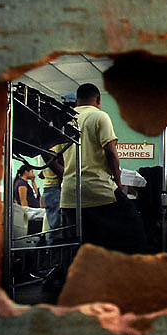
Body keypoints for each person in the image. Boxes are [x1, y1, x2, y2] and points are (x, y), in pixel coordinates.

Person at [57, 83, 148, 254]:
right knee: (134, 231)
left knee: (80, 246)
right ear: (98, 100)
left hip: (69, 197)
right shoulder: (99, 116)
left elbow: (52, 157)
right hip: (99, 192)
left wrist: (68, 177)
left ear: (77, 100)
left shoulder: (65, 120)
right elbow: (111, 153)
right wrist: (119, 185)